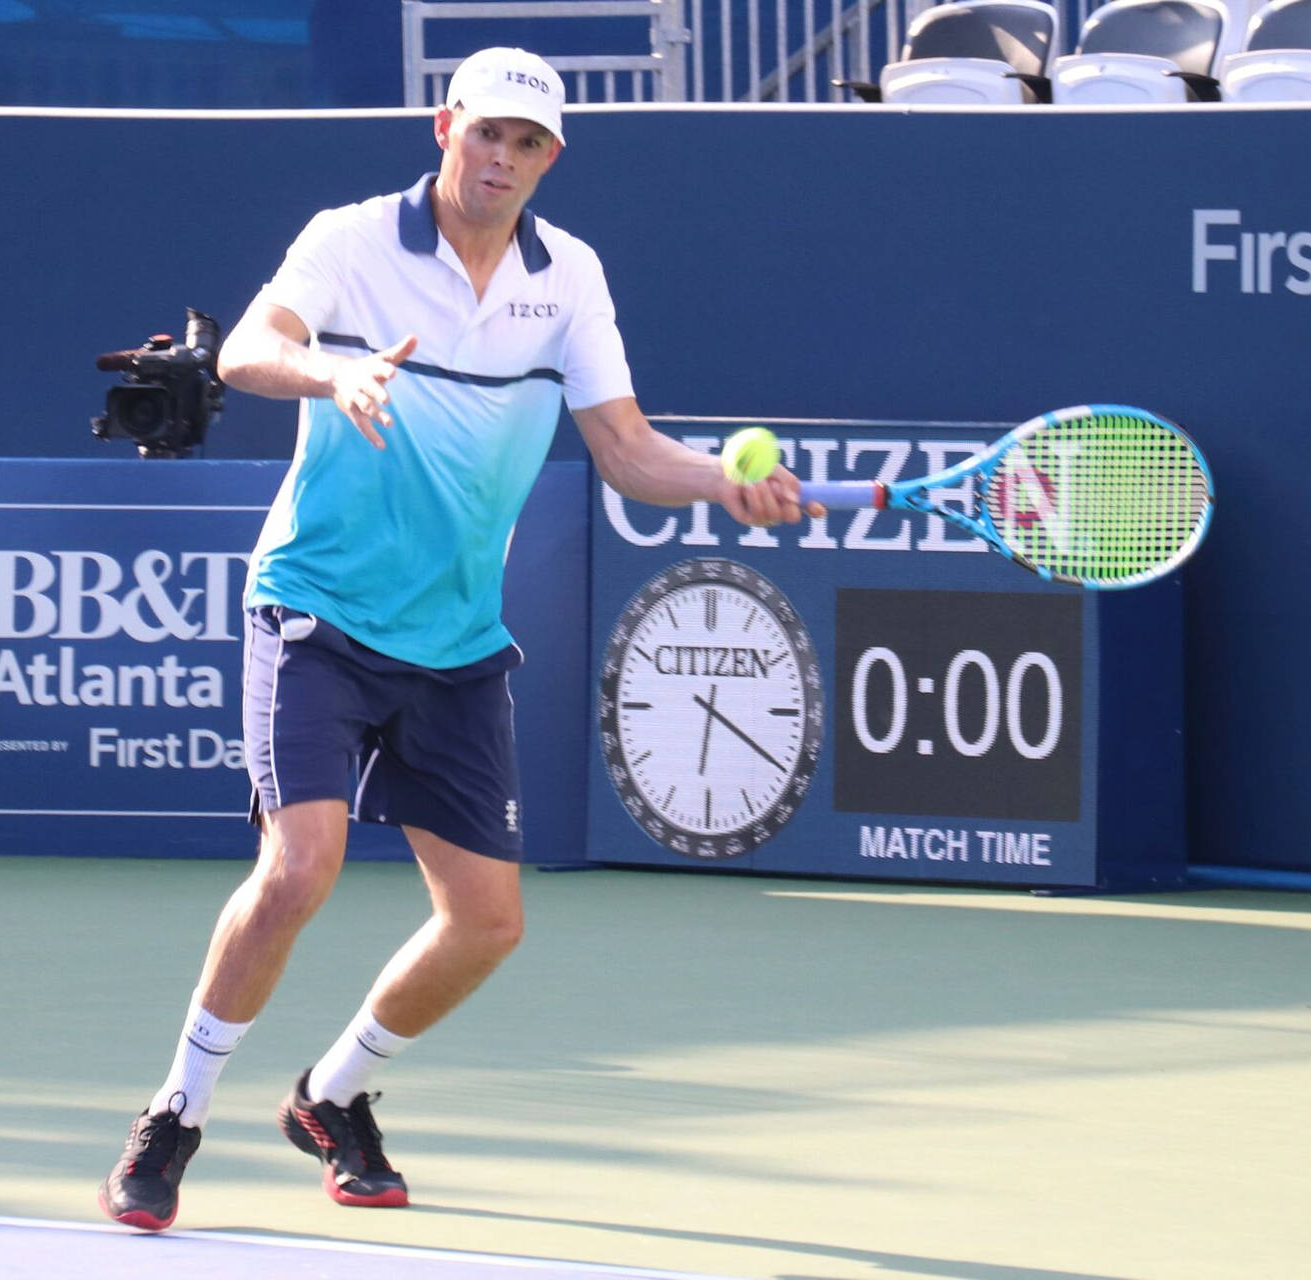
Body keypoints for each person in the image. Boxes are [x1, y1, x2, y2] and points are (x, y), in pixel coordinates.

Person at [97, 46, 813, 1231]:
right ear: (446, 128)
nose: (503, 159)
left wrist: (725, 485)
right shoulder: (353, 240)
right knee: (300, 866)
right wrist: (334, 374)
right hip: (317, 601)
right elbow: (245, 350)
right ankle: (175, 1111)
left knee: (488, 920)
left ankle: (333, 1095)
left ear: (550, 160)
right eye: (487, 134)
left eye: (528, 144)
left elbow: (630, 449)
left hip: (453, 636)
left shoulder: (570, 277)